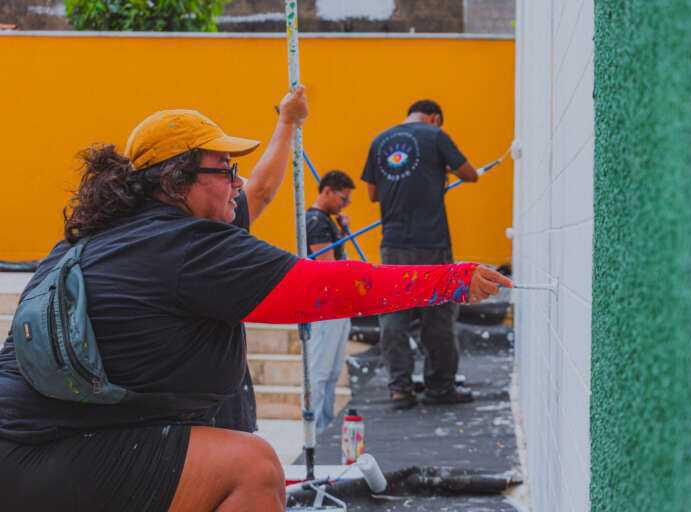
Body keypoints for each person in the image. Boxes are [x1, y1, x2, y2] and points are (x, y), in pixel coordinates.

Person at [0, 89, 510, 512]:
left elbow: (260, 191)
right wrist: (452, 280)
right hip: (41, 454)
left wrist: (287, 125)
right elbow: (326, 289)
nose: (237, 182)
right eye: (224, 169)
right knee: (253, 467)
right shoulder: (188, 248)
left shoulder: (98, 238)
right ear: (177, 181)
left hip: (35, 446)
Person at [361, 99, 480, 410]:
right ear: (434, 118)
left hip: (394, 244)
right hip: (432, 243)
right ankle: (440, 387)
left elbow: (373, 194)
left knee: (394, 314)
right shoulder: (435, 135)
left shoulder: (380, 140)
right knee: (438, 315)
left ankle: (400, 388)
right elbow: (470, 174)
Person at [305, 170, 356, 431]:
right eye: (343, 199)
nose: (344, 205)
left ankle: (324, 426)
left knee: (333, 373)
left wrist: (344, 227)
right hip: (324, 306)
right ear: (327, 191)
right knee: (320, 372)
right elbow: (328, 268)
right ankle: (315, 429)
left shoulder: (328, 220)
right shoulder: (316, 222)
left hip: (336, 307)